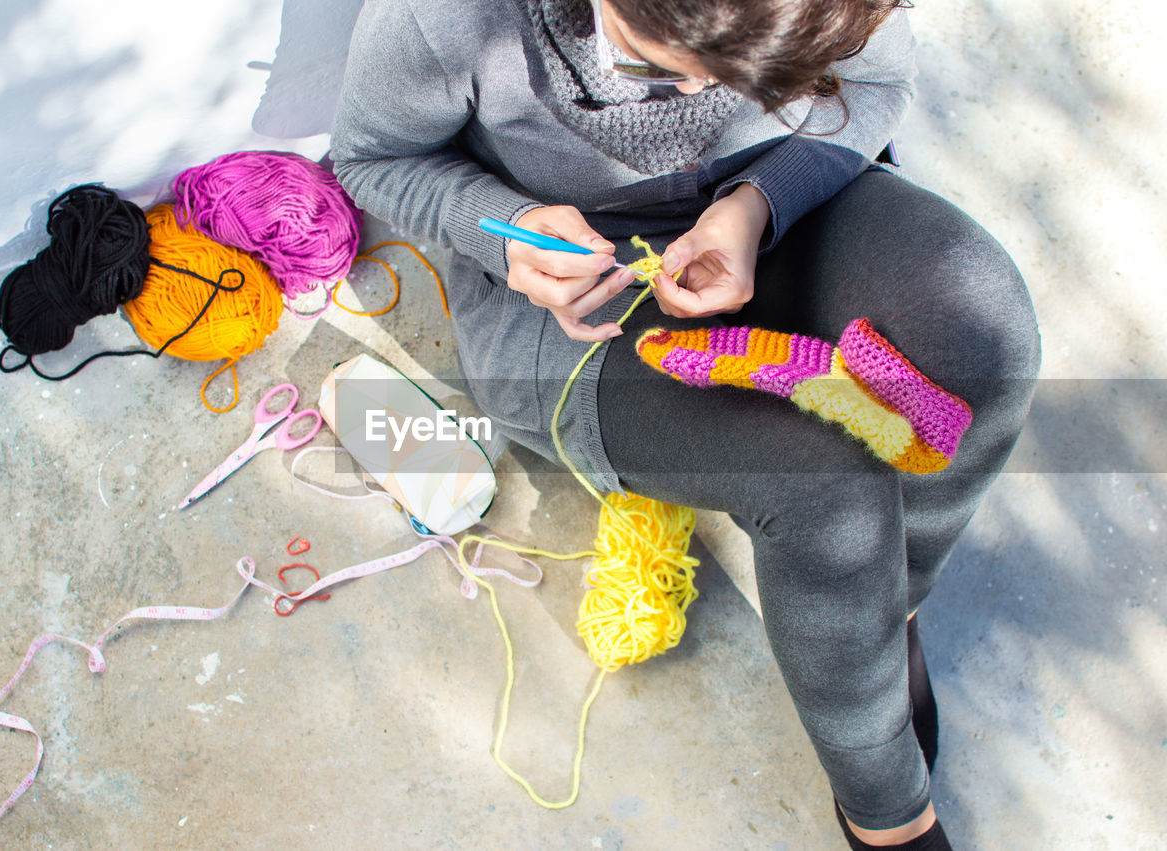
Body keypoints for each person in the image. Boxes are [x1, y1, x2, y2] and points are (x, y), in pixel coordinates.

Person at [330, 0, 1040, 846]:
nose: (703, 96)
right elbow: (372, 160)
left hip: (785, 213)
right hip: (570, 310)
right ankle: (886, 815)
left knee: (980, 338)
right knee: (817, 480)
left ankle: (890, 610)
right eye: (649, 63)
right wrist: (504, 229)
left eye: (762, 81)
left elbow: (877, 81)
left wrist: (754, 206)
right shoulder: (446, 17)